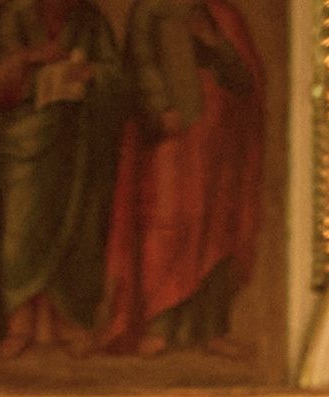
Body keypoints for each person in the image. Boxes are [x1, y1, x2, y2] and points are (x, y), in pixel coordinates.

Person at [104, 0, 267, 359]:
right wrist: (161, 107)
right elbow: (140, 63)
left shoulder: (220, 15)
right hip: (172, 134)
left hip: (218, 138)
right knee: (168, 223)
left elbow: (243, 79)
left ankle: (211, 328)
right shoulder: (149, 10)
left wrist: (212, 42)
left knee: (214, 230)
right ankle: (158, 322)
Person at [0, 0, 126, 360]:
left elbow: (119, 79)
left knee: (76, 230)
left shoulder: (90, 22)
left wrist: (91, 73)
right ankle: (20, 321)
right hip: (25, 142)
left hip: (79, 145)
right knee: (22, 229)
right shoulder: (14, 18)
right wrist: (31, 59)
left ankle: (68, 319)